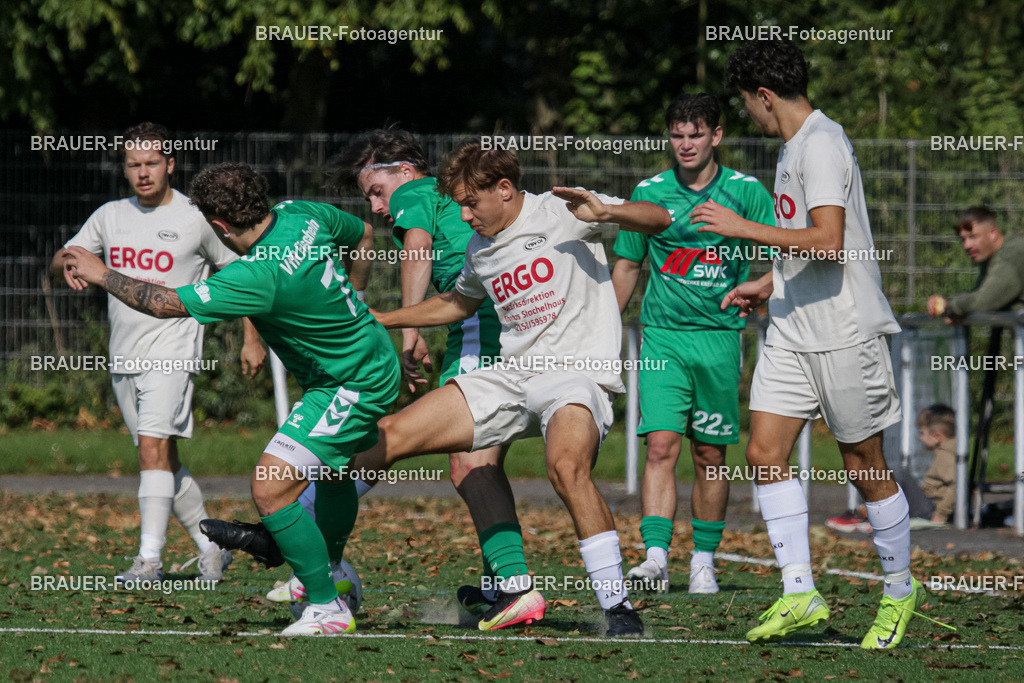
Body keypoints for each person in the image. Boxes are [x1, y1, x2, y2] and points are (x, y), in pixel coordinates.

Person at [63, 161, 398, 637]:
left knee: (268, 488)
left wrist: (101, 274)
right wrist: (357, 296)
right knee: (335, 472)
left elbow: (166, 303)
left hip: (352, 382)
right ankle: (335, 570)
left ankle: (327, 607)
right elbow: (364, 233)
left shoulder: (257, 275)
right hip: (365, 362)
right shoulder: (302, 213)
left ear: (218, 226)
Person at [355, 140, 670, 635]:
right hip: (512, 376)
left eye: (469, 203)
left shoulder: (562, 211)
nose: (462, 217)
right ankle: (299, 541)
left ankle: (618, 608)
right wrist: (384, 319)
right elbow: (456, 305)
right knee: (390, 433)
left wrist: (608, 210)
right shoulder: (480, 249)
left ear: (504, 189)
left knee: (566, 467)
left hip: (575, 374)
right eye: (457, 203)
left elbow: (659, 219)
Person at [702, 39, 923, 649]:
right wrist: (768, 281)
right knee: (764, 451)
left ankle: (901, 593)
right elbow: (807, 246)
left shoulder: (821, 144)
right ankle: (800, 593)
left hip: (844, 334)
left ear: (765, 96)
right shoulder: (794, 146)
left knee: (863, 466)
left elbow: (828, 240)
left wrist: (743, 228)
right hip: (793, 330)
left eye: (749, 104)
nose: (749, 114)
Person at [316, 128, 527, 620]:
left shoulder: (416, 192)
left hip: (481, 324)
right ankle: (505, 584)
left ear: (406, 174)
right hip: (491, 318)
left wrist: (408, 328)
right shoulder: (448, 197)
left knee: (464, 460)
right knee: (483, 464)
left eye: (376, 191)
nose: (374, 206)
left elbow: (417, 245)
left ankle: (304, 531)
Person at [49, 123, 265, 584]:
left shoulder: (195, 215)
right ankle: (213, 546)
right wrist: (69, 262)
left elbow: (243, 274)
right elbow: (64, 255)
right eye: (134, 164)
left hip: (174, 349)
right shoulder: (110, 215)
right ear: (125, 169)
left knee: (152, 449)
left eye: (151, 163)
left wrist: (252, 337)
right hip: (123, 354)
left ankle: (149, 560)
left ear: (171, 163)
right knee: (159, 459)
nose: (143, 172)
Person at [613, 93, 775, 594]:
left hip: (721, 341)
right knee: (660, 445)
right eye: (677, 135)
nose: (685, 144)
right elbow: (627, 264)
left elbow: (787, 252)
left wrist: (761, 290)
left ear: (716, 136)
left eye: (696, 134)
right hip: (662, 338)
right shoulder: (650, 191)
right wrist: (602, 330)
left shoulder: (746, 192)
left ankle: (703, 559)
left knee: (709, 454)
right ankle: (655, 559)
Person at [828, 405, 957, 531]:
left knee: (898, 472)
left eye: (921, 432)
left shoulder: (945, 456)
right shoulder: (946, 452)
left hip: (930, 509)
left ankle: (868, 512)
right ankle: (868, 510)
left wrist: (940, 515)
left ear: (937, 436)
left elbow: (955, 485)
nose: (919, 437)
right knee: (895, 474)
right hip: (929, 504)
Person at [927, 206, 1024, 319]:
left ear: (993, 233)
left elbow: (985, 301)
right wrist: (947, 303)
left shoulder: (1012, 255)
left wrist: (948, 306)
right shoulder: (992, 257)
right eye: (963, 239)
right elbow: (978, 295)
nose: (966, 245)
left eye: (973, 237)